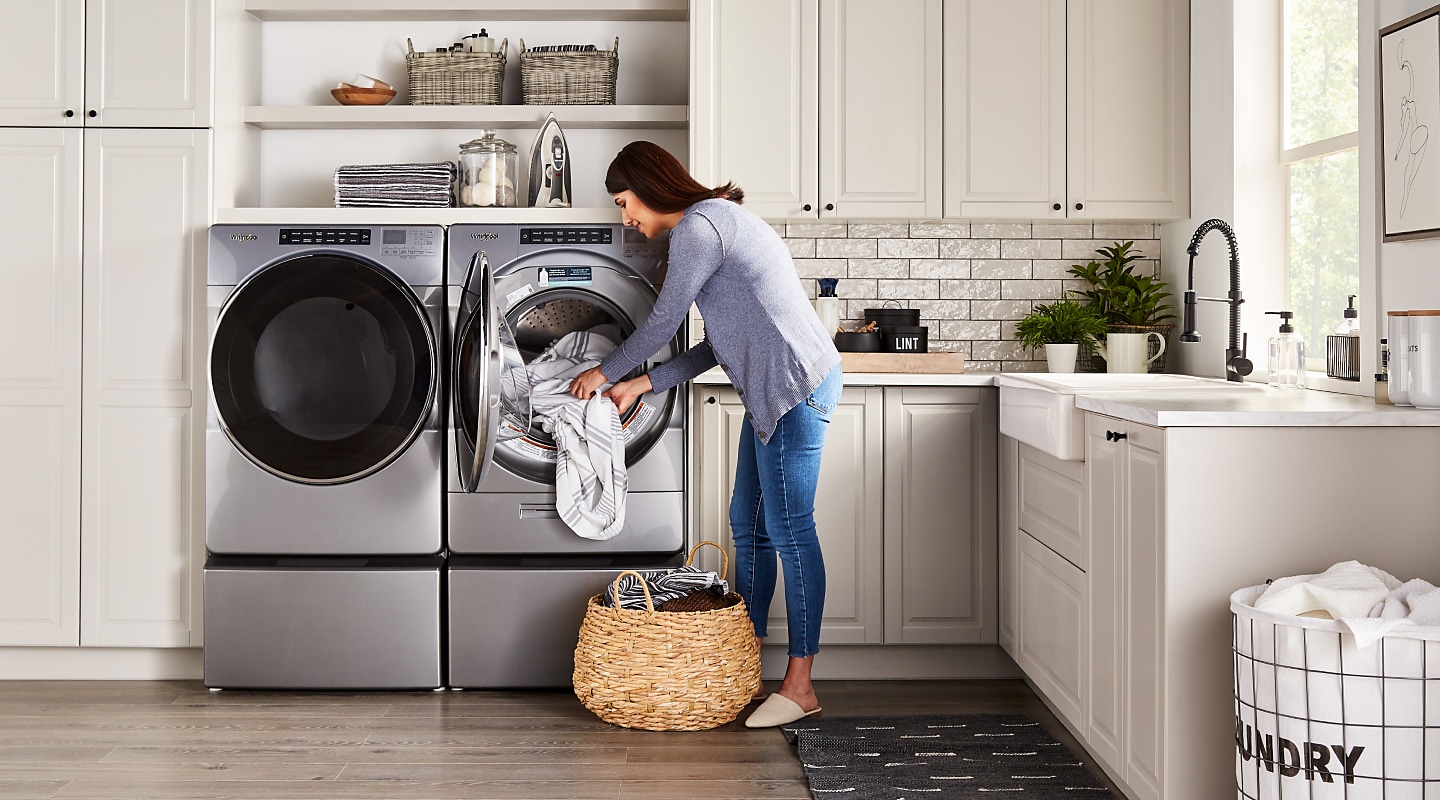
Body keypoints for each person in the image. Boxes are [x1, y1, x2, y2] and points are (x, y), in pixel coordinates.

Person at [569, 141, 842, 728]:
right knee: (749, 523)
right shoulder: (715, 222)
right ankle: (744, 661)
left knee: (789, 530)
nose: (625, 218)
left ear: (649, 187)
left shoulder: (699, 227)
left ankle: (800, 685)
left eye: (623, 203)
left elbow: (663, 324)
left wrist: (604, 372)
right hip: (773, 390)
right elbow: (716, 345)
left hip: (794, 386)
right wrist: (641, 384)